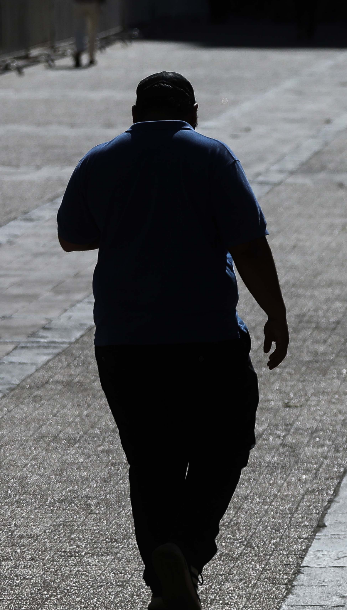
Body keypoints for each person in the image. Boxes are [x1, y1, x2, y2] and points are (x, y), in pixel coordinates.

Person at [57, 72, 290, 610]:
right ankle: (185, 552)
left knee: (151, 460)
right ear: (194, 111)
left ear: (135, 111)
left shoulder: (101, 157)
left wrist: (123, 223)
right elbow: (249, 245)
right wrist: (275, 313)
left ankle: (168, 577)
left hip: (124, 342)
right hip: (206, 338)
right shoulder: (211, 156)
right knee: (227, 444)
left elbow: (72, 236)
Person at [65, 0, 106, 67]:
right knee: (92, 30)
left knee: (79, 29)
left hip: (78, 1)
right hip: (92, 1)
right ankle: (91, 57)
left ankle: (79, 50)